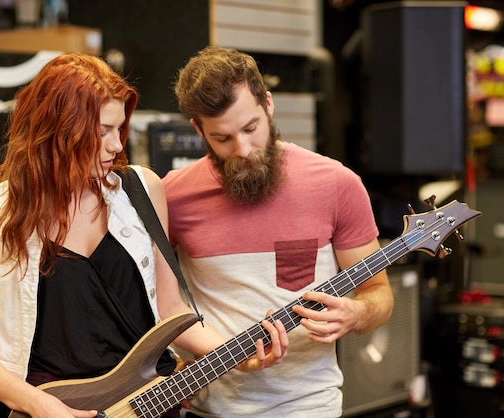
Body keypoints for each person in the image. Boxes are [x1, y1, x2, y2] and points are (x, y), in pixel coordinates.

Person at [0, 53, 289, 418]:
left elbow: (169, 312)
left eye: (119, 129)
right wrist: (36, 403)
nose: (116, 146)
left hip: (149, 403)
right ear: (60, 130)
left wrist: (237, 354)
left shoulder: (143, 191)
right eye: (103, 131)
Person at [163, 46, 395, 418]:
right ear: (198, 130)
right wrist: (167, 363)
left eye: (250, 128)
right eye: (222, 138)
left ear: (268, 104)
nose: (242, 149)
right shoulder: (172, 196)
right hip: (208, 408)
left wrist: (356, 313)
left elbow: (379, 294)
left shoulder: (337, 184)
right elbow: (149, 301)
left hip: (307, 406)